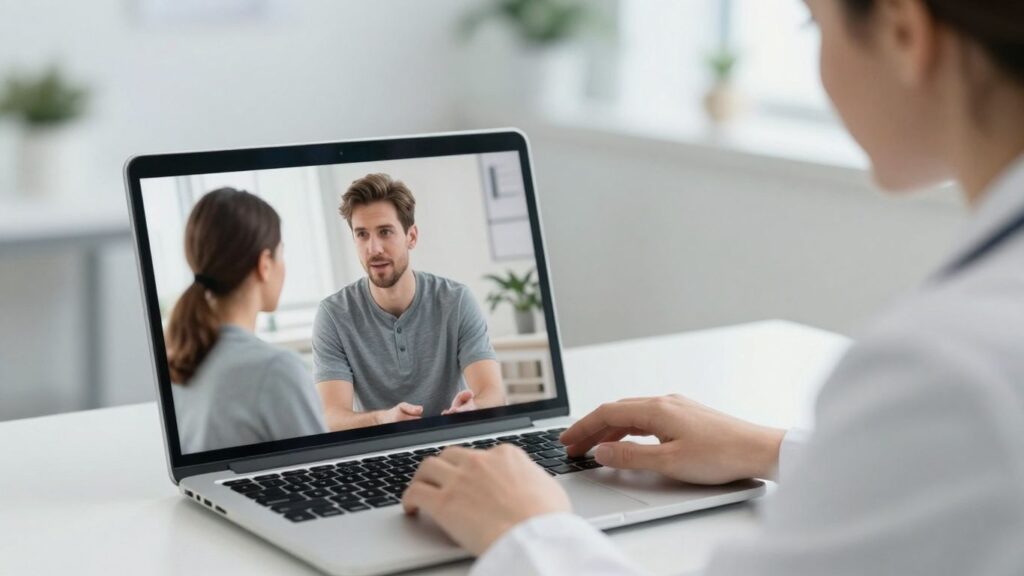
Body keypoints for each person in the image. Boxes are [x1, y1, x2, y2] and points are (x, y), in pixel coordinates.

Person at [400, 0, 1024, 574]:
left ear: (903, 32)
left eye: (814, 23)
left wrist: (527, 531)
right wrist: (772, 449)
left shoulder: (945, 368)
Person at [313, 173, 506, 432]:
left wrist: (473, 409)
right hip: (380, 453)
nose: (374, 248)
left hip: (454, 443)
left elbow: (493, 393)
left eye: (385, 232)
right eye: (362, 234)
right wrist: (383, 420)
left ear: (411, 237)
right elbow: (332, 417)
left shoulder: (456, 300)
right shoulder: (333, 315)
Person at [168, 187, 326, 453]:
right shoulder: (277, 370)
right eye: (281, 252)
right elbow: (323, 475)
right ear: (264, 263)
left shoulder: (179, 358)